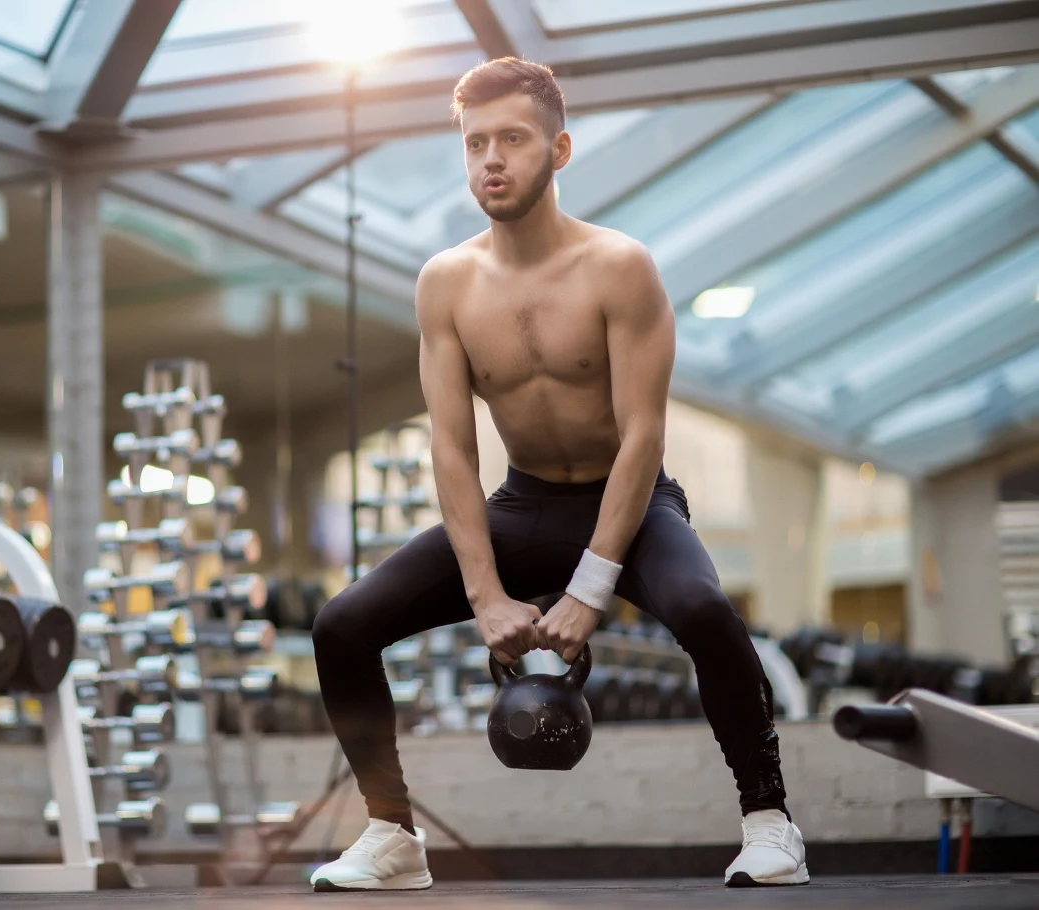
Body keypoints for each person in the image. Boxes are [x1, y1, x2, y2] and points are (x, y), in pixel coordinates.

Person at [308, 57, 807, 892]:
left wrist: (593, 586)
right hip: (524, 503)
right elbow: (454, 449)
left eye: (512, 139)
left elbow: (646, 432)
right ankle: (392, 834)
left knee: (704, 609)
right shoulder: (447, 283)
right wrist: (485, 595)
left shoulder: (620, 267)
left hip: (631, 500)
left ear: (560, 150)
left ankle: (769, 820)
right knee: (341, 625)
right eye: (474, 144)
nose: (490, 160)